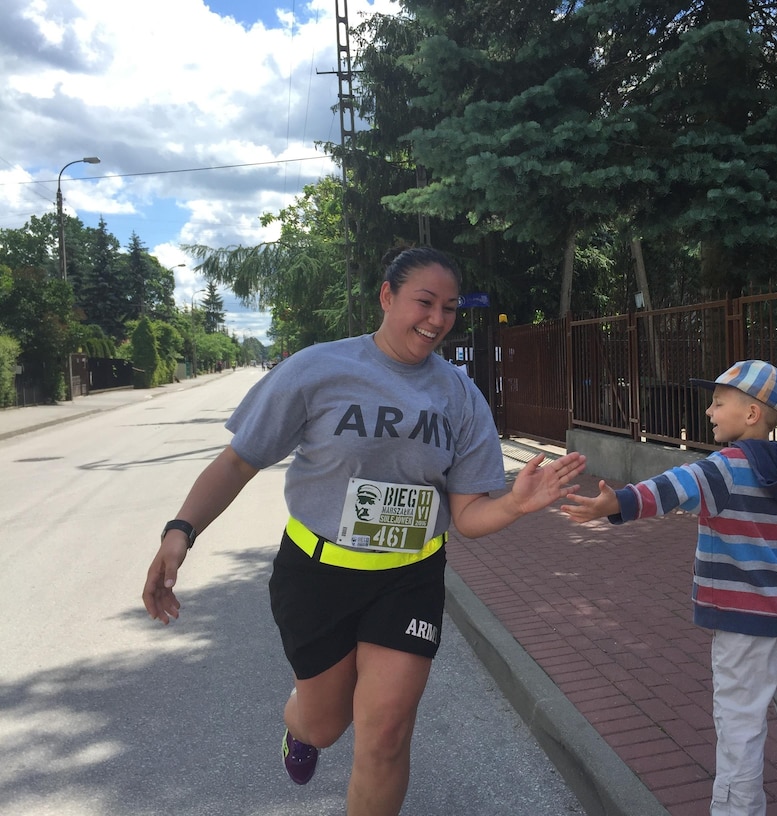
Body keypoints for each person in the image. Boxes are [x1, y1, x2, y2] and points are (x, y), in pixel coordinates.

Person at [142, 245, 586, 816]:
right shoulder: (318, 368)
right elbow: (238, 461)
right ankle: (300, 726)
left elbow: (469, 516)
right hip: (316, 574)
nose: (436, 320)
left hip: (409, 578)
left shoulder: (459, 395)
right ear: (386, 296)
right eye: (423, 302)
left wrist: (516, 505)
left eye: (449, 308)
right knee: (326, 725)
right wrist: (181, 531)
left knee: (386, 736)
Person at [561, 360, 777, 816]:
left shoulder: (724, 469)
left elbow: (672, 488)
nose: (709, 411)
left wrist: (615, 503)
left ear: (752, 414)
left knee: (741, 730)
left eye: (719, 403)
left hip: (742, 630)